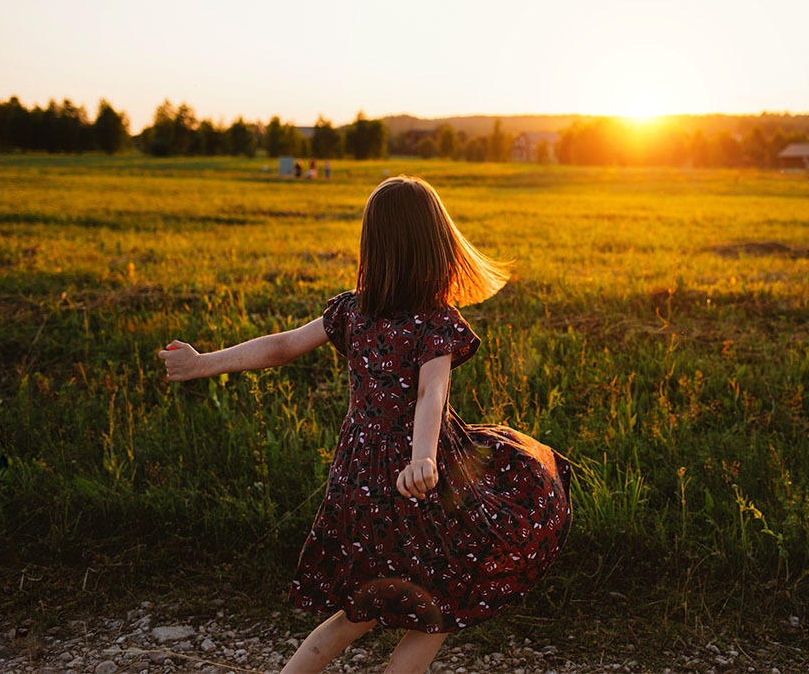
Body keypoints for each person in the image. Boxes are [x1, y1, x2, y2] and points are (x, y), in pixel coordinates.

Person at [157, 175, 573, 673]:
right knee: (435, 602)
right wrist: (422, 457)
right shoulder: (435, 321)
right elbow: (430, 392)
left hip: (357, 478)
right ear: (437, 245)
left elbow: (281, 346)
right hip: (419, 481)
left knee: (358, 610)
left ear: (372, 246)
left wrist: (204, 363)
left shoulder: (353, 312)